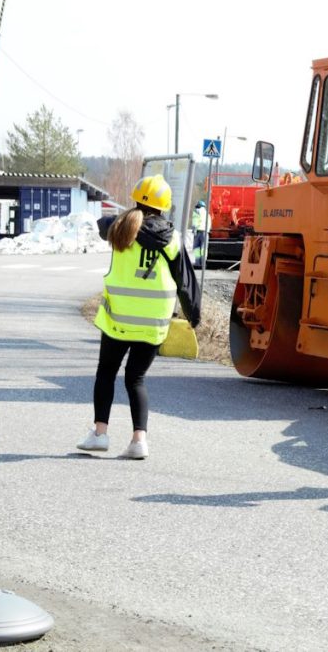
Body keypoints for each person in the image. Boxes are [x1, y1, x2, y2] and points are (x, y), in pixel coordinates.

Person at [77, 175, 201, 459]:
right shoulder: (172, 239)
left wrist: (124, 217)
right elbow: (186, 282)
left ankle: (100, 434)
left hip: (118, 320)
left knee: (106, 373)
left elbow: (101, 226)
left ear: (135, 200)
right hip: (153, 324)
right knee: (136, 379)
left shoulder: (119, 227)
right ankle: (139, 442)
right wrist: (193, 316)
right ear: (164, 207)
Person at [191, 199, 209, 267]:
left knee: (197, 248)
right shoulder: (207, 213)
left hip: (198, 232)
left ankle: (197, 263)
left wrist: (194, 230)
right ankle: (203, 263)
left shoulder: (196, 211)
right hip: (205, 232)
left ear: (198, 206)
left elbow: (195, 222)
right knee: (204, 248)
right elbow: (209, 223)